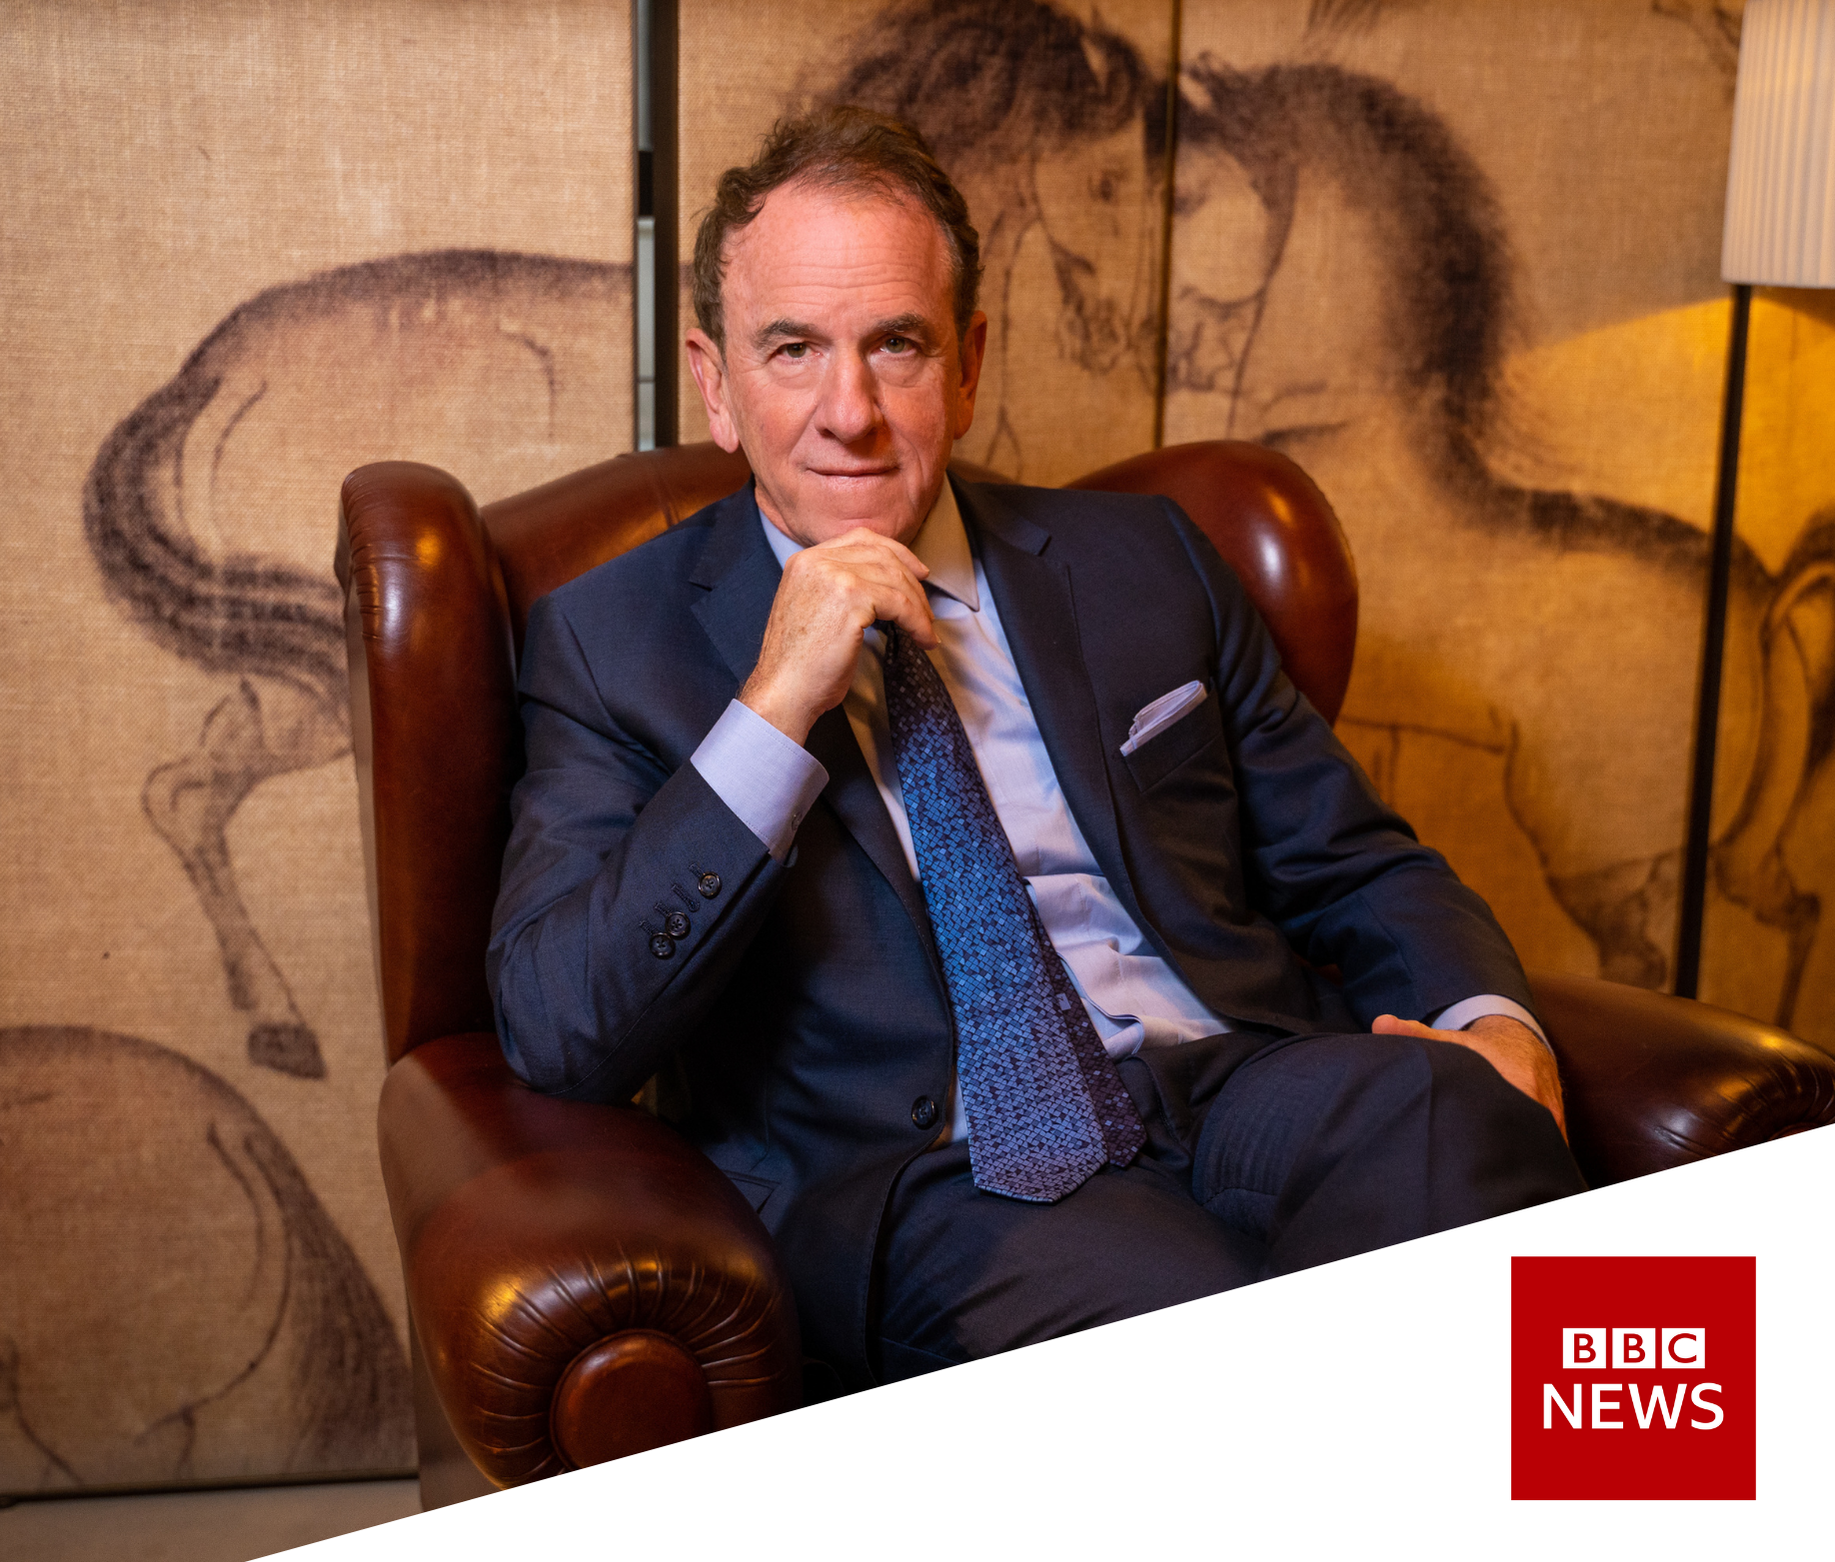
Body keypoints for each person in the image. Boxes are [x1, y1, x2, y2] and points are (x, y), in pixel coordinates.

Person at [488, 106, 1584, 1394]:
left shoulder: (1144, 561)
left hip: (1240, 1076)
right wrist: (774, 707)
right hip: (943, 1172)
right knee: (1183, 1324)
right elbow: (561, 1028)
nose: (850, 412)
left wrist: (1492, 1021)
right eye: (793, 350)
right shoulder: (608, 644)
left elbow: (1354, 861)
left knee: (1456, 1117)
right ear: (717, 384)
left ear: (967, 364)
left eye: (897, 344)